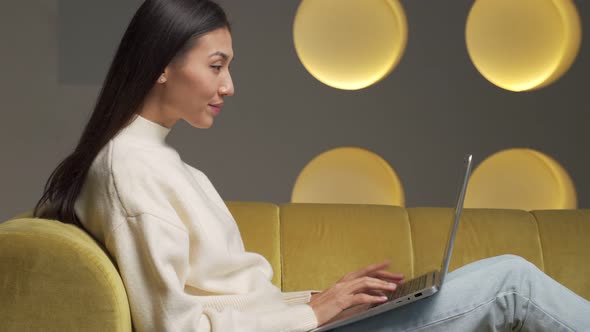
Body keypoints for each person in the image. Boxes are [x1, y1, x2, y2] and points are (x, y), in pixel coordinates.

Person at [34, 0, 590, 331]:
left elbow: (225, 298)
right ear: (161, 66)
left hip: (300, 324)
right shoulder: (130, 169)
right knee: (512, 281)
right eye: (216, 65)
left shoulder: (151, 159)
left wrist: (318, 298)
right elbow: (175, 325)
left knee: (503, 277)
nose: (229, 85)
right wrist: (314, 313)